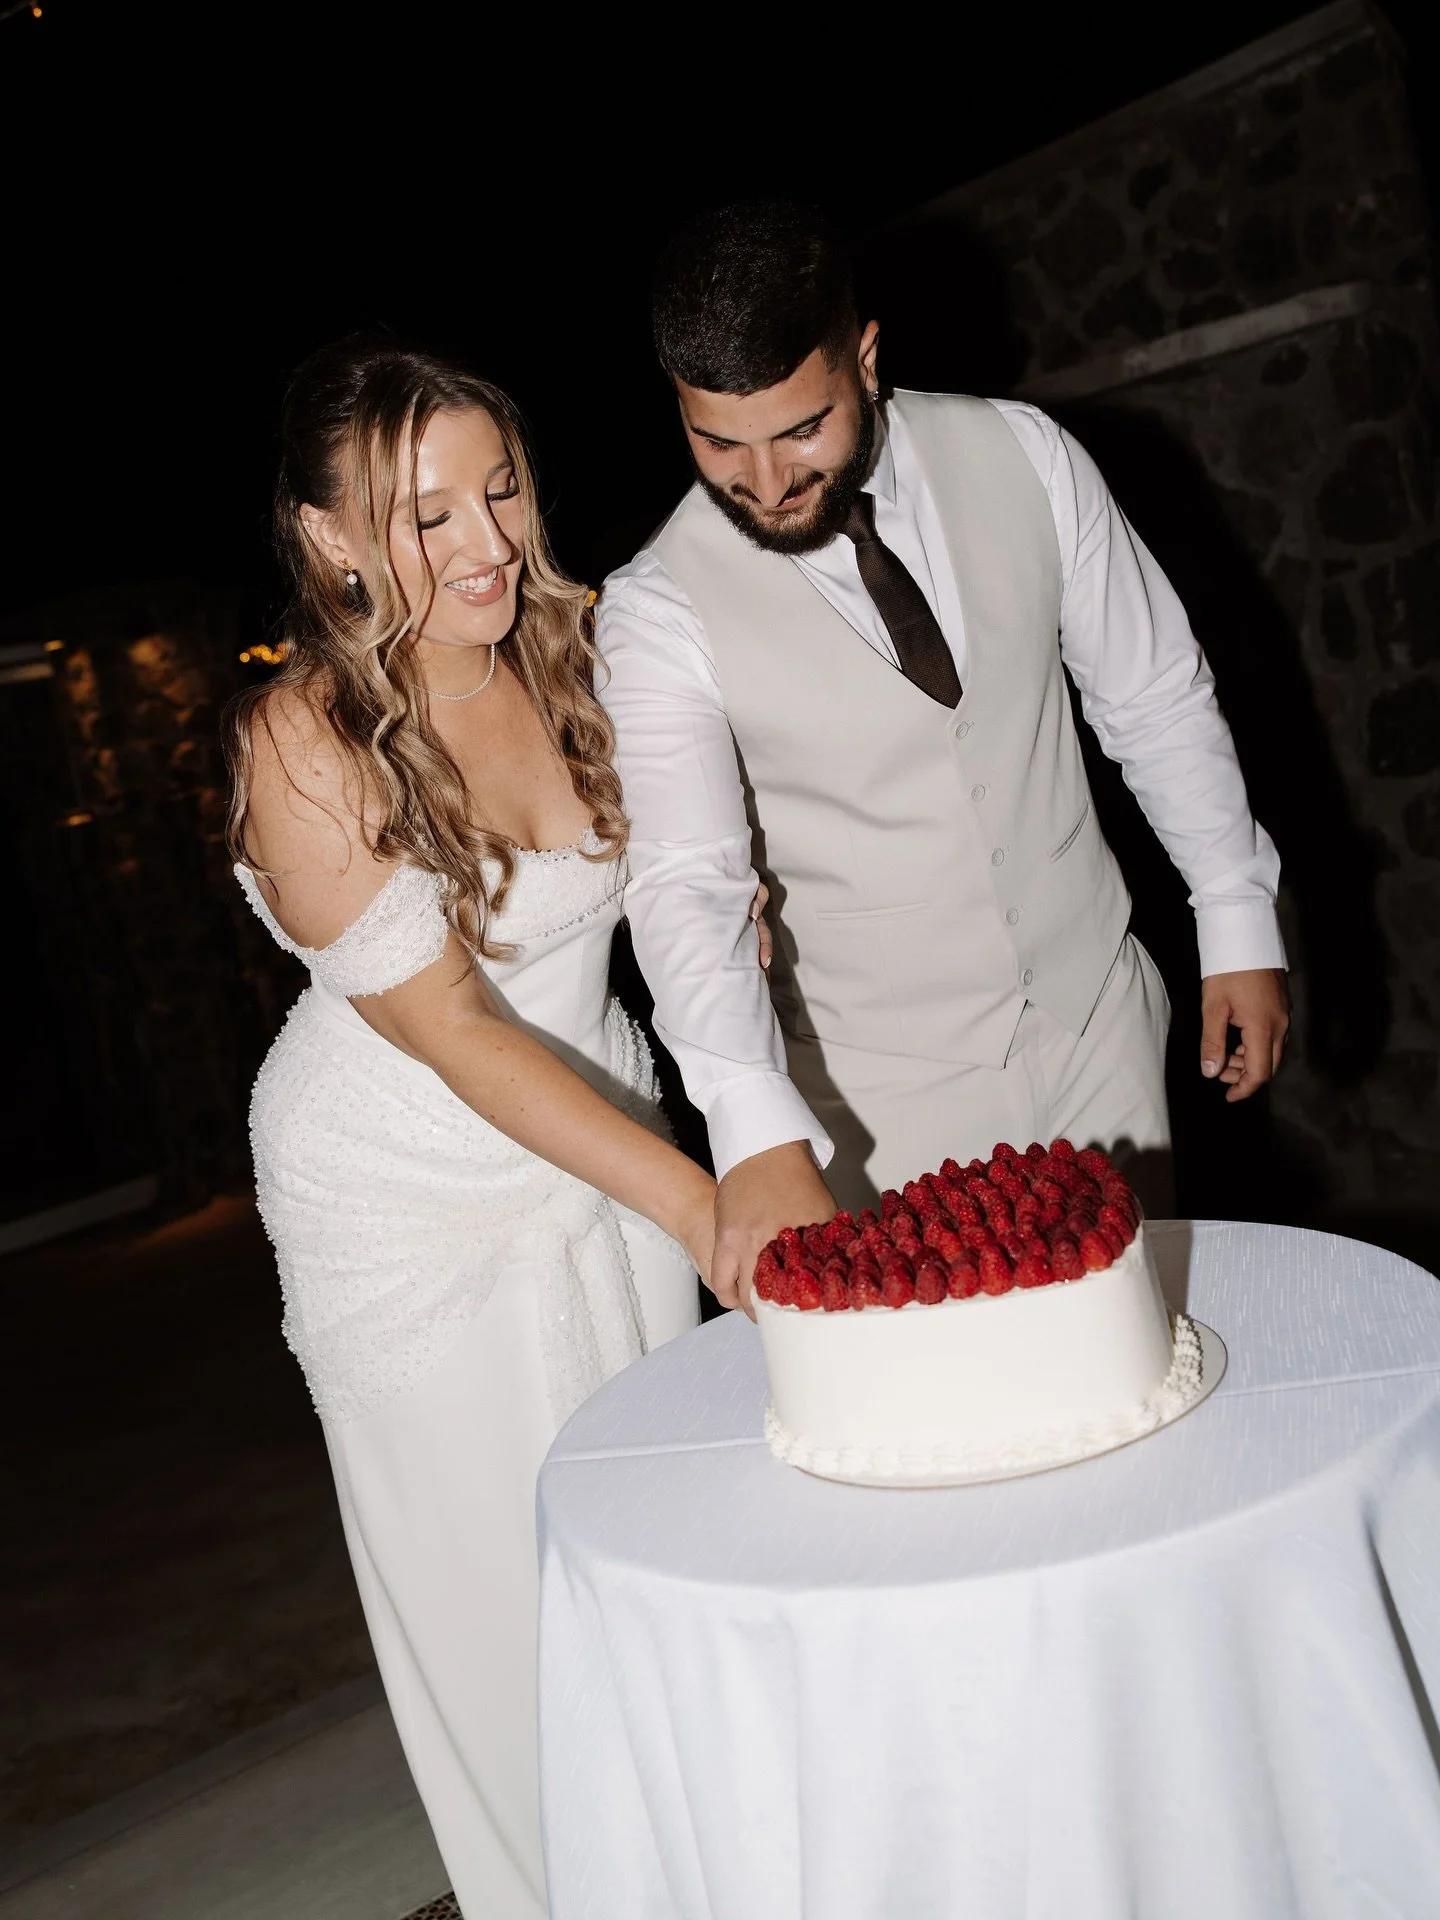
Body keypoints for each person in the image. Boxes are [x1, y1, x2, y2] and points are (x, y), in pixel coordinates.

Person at [223, 338, 727, 1919]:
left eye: (499, 491)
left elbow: (679, 874)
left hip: (597, 1132)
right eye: (427, 516)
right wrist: (702, 1204)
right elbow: (450, 1026)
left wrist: (730, 913)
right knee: (510, 1622)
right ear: (328, 541)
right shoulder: (296, 744)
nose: (489, 547)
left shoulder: (572, 647)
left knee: (663, 1561)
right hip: (409, 1204)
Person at [599, 200, 1292, 1312]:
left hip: (1097, 1030)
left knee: (1144, 1366)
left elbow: (1154, 697)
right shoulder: (655, 608)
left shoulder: (1030, 455)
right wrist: (748, 1122)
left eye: (800, 429)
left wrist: (1233, 910)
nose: (766, 481)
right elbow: (686, 884)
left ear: (865, 360)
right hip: (879, 1114)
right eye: (718, 441)